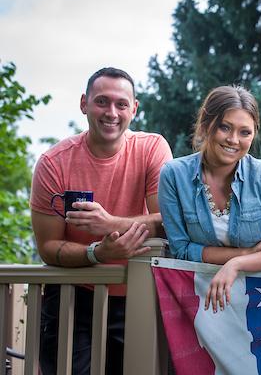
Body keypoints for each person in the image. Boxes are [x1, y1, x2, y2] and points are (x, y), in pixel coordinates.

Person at [30, 67, 173, 374]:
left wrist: (109, 224)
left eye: (121, 104)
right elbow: (47, 246)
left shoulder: (152, 148)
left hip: (139, 294)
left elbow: (169, 222)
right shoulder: (53, 163)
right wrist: (97, 253)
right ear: (84, 103)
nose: (112, 112)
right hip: (73, 294)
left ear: (134, 109)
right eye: (102, 102)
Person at [158, 85, 261, 312]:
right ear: (206, 125)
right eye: (225, 127)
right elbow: (181, 250)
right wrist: (247, 253)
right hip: (201, 305)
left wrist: (236, 264)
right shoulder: (174, 175)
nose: (234, 140)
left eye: (245, 132)